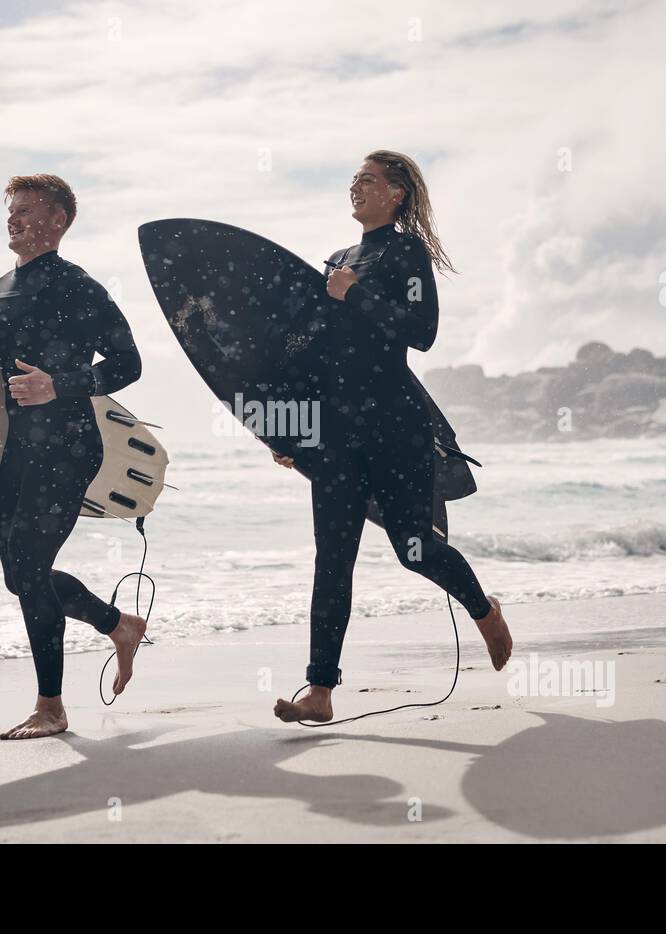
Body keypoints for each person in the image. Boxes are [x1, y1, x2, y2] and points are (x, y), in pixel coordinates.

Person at [272, 150, 513, 724]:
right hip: (333, 431)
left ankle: (483, 609)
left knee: (414, 548)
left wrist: (354, 293)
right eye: (353, 178)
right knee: (331, 559)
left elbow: (421, 332)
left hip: (395, 423)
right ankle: (320, 690)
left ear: (397, 194)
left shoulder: (406, 252)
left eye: (370, 179)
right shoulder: (335, 260)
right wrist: (287, 428)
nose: (356, 186)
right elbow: (314, 357)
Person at [0, 173, 148, 739]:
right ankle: (117, 624)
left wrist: (60, 385)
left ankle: (51, 706)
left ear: (58, 221)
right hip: (21, 449)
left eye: (27, 210)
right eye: (11, 211)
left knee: (28, 570)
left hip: (71, 446)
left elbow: (127, 364)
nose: (14, 219)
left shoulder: (79, 287)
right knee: (20, 577)